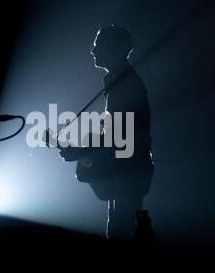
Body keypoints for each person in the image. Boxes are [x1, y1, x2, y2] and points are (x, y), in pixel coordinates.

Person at [60, 25, 154, 240]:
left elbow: (119, 134)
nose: (93, 51)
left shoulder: (125, 84)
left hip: (128, 173)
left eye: (98, 45)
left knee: (122, 231)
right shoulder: (120, 81)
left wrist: (80, 151)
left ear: (113, 48)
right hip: (128, 171)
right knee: (124, 226)